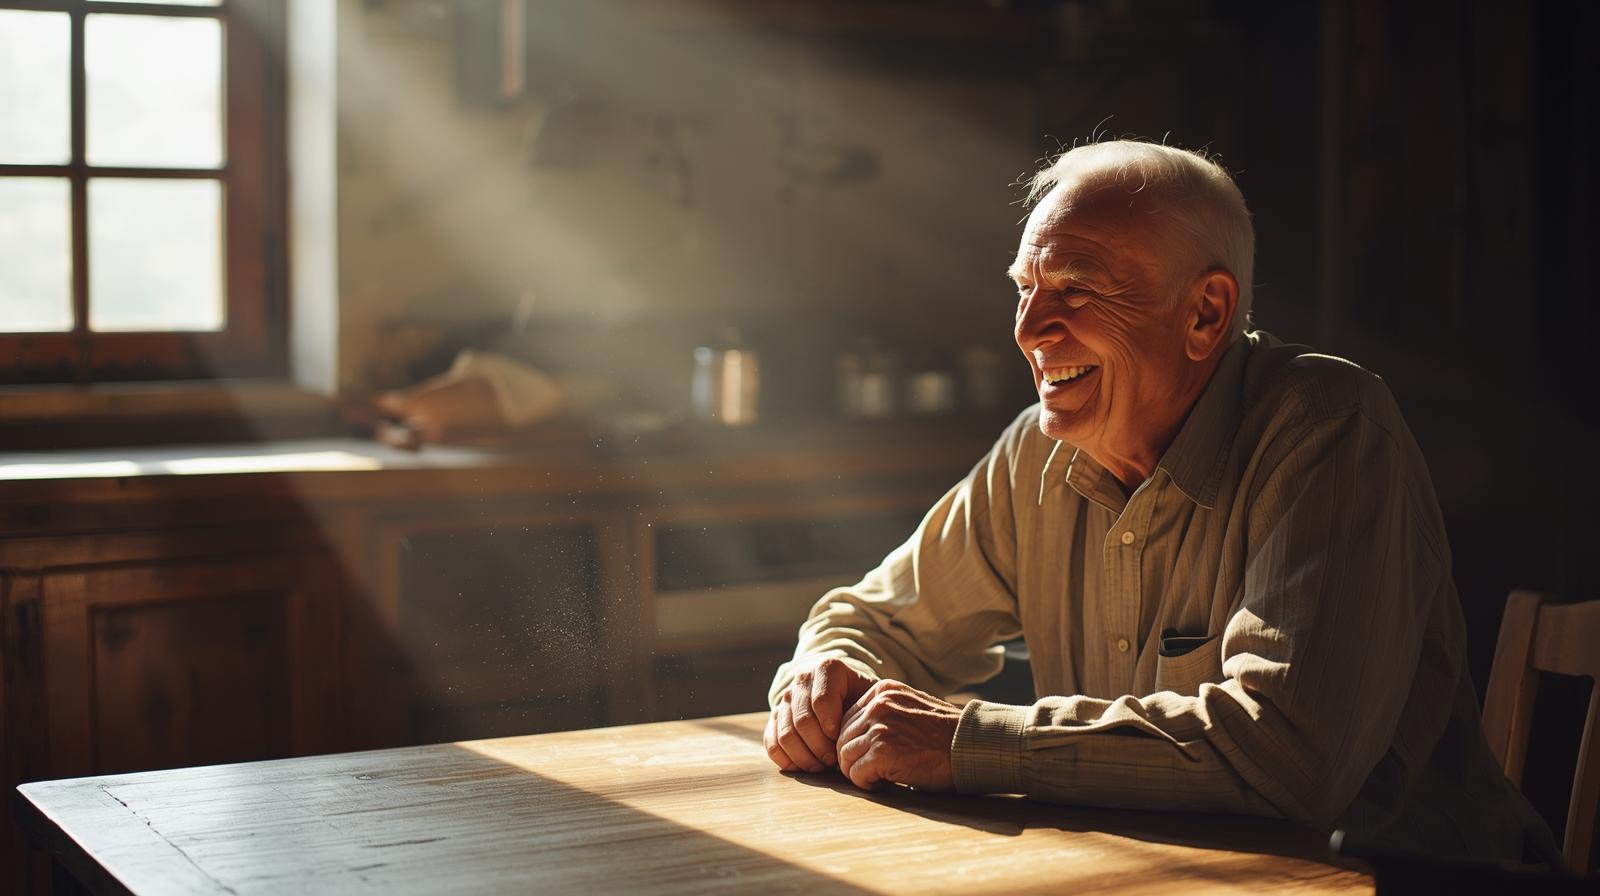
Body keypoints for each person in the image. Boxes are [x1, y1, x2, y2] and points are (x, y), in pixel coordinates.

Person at [763, 140, 1556, 863]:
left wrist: (970, 743)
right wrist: (825, 676)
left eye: (1073, 289)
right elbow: (873, 619)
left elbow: (1287, 754)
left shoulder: (1328, 429)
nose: (1030, 329)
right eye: (1025, 288)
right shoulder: (1036, 454)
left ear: (1205, 314)